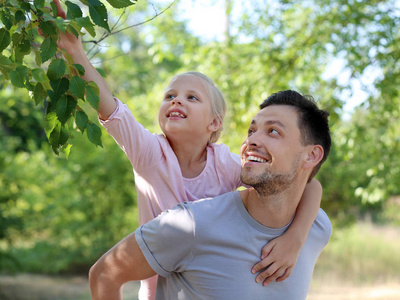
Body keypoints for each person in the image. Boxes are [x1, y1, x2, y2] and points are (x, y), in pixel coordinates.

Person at [50, 0, 323, 298]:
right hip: (158, 285)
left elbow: (307, 184)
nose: (176, 101)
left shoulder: (225, 165)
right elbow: (111, 108)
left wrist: (296, 237)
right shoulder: (150, 154)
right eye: (170, 95)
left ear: (214, 123)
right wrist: (75, 52)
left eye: (192, 98)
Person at [89, 90, 332, 300]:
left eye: (273, 132)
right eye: (252, 130)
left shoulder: (317, 227)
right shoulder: (190, 225)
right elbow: (104, 274)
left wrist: (296, 237)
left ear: (311, 156)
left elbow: (310, 185)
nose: (252, 141)